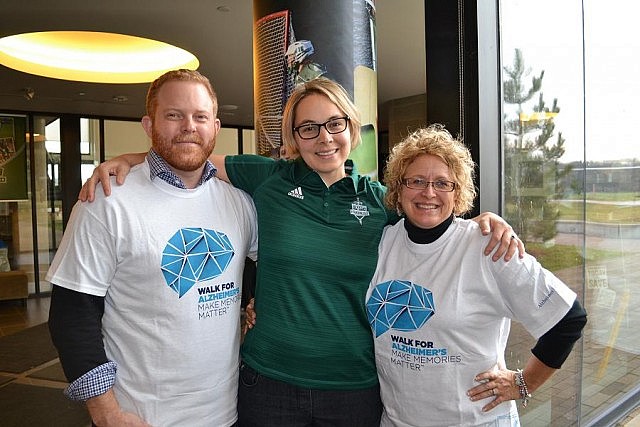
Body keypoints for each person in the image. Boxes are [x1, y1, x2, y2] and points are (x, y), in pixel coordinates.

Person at [79, 77, 523, 427]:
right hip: (267, 383)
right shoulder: (266, 177)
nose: (323, 137)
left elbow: (433, 216)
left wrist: (484, 222)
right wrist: (127, 159)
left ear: (352, 128)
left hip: (353, 386)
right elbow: (186, 154)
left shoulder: (380, 201)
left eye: (334, 124)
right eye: (307, 127)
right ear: (293, 136)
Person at [47, 69, 258, 427]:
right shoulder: (107, 202)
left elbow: (262, 267)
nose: (189, 126)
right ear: (148, 124)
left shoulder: (240, 202)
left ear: (216, 127)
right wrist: (106, 413)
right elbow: (71, 317)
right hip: (141, 417)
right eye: (174, 115)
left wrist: (256, 303)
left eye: (200, 117)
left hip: (226, 415)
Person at [365, 124, 587, 426]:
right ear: (398, 188)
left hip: (475, 420)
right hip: (396, 420)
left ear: (458, 194)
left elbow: (568, 319)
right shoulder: (385, 241)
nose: (429, 192)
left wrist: (524, 383)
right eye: (416, 180)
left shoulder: (488, 246)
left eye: (443, 183)